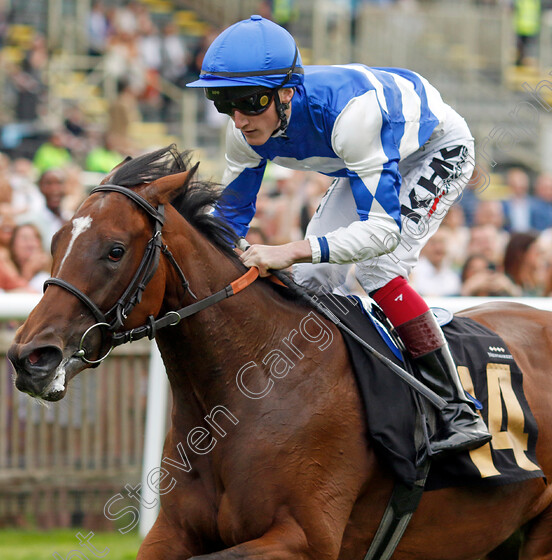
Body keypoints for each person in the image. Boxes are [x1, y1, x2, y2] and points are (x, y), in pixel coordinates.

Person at [187, 16, 490, 455]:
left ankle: (457, 408)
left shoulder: (351, 117)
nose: (239, 119)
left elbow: (383, 232)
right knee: (311, 283)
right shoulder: (245, 132)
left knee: (376, 267)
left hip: (434, 148)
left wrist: (290, 249)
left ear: (286, 93)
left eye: (250, 101)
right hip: (369, 157)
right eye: (222, 102)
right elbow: (229, 220)